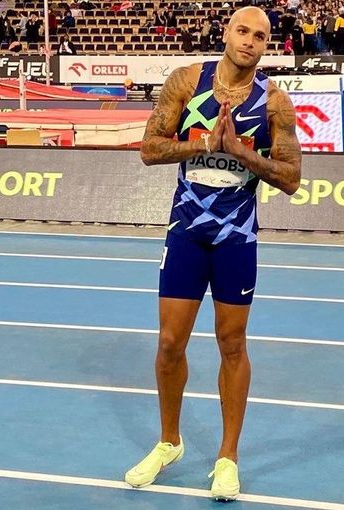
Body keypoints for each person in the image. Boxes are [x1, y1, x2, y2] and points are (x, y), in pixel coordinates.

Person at [123, 5, 301, 502]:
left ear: (266, 45)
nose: (249, 41)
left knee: (232, 344)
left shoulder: (275, 102)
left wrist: (241, 152)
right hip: (187, 231)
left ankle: (227, 458)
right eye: (242, 30)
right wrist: (204, 144)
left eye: (259, 36)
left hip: (236, 238)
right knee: (168, 343)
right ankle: (169, 442)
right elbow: (150, 148)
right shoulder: (186, 81)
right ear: (226, 32)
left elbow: (291, 177)